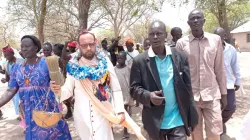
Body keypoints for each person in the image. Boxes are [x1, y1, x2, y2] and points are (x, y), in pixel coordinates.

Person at [50, 30, 146, 140]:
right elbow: (68, 89)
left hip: (103, 112)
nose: (89, 48)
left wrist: (120, 110)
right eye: (84, 45)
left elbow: (115, 88)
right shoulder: (73, 65)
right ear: (79, 46)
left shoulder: (105, 62)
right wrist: (58, 91)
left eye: (91, 44)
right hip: (81, 116)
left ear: (96, 42)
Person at [130, 20, 198, 140]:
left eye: (159, 33)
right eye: (152, 34)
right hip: (154, 121)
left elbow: (188, 89)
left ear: (166, 35)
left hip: (178, 120)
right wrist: (149, 96)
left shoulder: (180, 56)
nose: (155, 37)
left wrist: (192, 115)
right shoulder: (140, 61)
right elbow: (134, 89)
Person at [0, 35, 72, 140]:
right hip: (29, 111)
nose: (24, 49)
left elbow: (58, 84)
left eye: (27, 46)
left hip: (48, 109)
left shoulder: (46, 63)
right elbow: (11, 90)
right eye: (22, 46)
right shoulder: (17, 68)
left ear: (36, 48)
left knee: (54, 134)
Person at [176, 9, 227, 140]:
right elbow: (178, 73)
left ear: (204, 21)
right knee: (196, 134)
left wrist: (224, 94)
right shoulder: (181, 43)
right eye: (192, 19)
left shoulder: (215, 40)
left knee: (215, 133)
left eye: (198, 18)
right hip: (192, 98)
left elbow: (220, 69)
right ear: (188, 23)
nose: (196, 21)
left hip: (212, 95)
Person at [214, 27, 241, 135]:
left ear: (224, 37)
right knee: (216, 108)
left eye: (220, 36)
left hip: (228, 83)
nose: (218, 39)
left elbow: (235, 65)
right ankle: (216, 129)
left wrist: (238, 80)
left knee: (230, 107)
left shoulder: (231, 49)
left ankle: (220, 123)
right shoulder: (211, 48)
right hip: (214, 84)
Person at [115, 51, 134, 139]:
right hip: (118, 93)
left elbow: (131, 81)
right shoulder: (114, 69)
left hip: (127, 93)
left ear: (125, 59)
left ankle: (125, 130)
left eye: (121, 58)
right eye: (118, 58)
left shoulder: (128, 68)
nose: (119, 59)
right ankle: (123, 128)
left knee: (126, 111)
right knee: (120, 111)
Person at [1, 45, 23, 120]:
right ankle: (20, 115)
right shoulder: (7, 64)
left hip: (22, 85)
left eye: (8, 55)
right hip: (13, 86)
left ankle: (23, 115)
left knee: (22, 100)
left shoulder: (20, 61)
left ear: (12, 54)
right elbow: (8, 76)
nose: (6, 57)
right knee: (16, 100)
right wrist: (5, 80)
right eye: (5, 55)